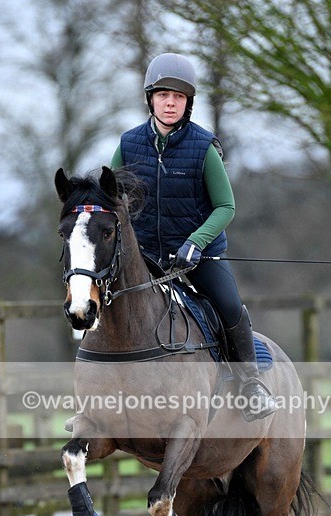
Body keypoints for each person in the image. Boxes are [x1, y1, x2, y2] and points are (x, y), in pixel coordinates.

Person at [111, 52, 275, 421]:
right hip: (147, 256)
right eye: (164, 95)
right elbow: (111, 198)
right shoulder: (128, 144)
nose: (171, 103)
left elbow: (226, 207)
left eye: (179, 97)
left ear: (188, 103)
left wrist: (195, 242)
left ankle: (250, 384)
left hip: (197, 254)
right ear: (150, 98)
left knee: (230, 305)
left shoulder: (203, 147)